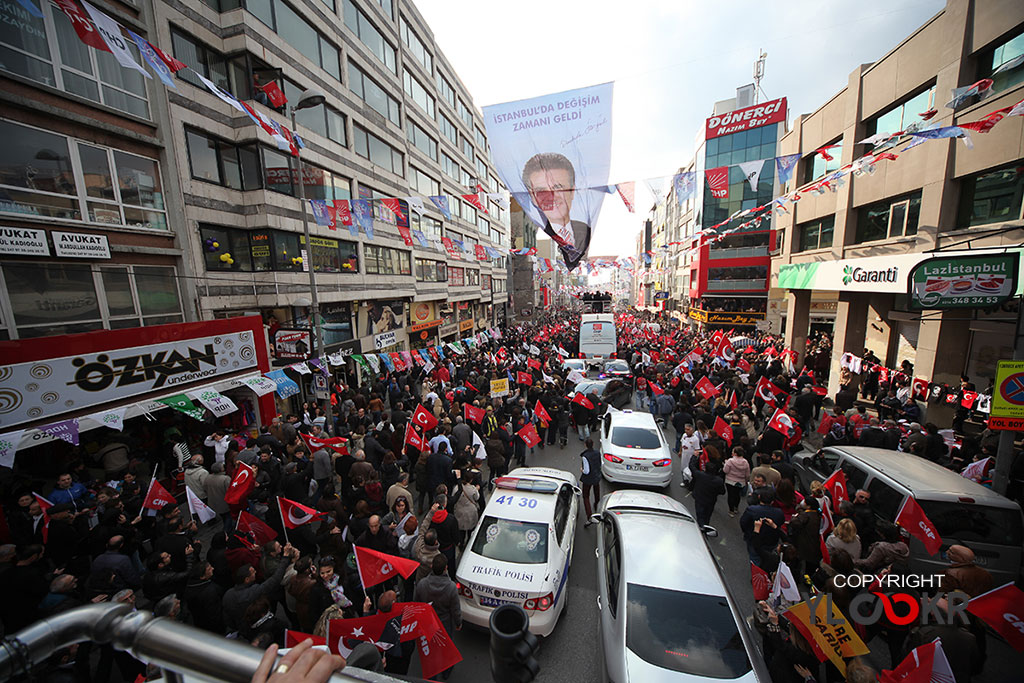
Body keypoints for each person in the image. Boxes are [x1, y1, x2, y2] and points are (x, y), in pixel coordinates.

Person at [521, 152, 591, 271]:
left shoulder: (586, 230)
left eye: (558, 187)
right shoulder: (538, 227)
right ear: (532, 196)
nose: (551, 196)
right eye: (541, 190)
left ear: (572, 191)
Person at [413, 554, 461, 680]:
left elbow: (416, 604)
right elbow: (455, 609)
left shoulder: (422, 584)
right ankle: (446, 671)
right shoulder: (451, 588)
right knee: (445, 649)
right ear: (446, 568)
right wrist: (458, 623)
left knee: (431, 651)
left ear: (431, 566)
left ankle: (432, 677)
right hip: (444, 624)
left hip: (428, 623)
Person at [579, 438, 602, 525]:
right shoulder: (597, 453)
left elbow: (586, 471)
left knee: (586, 496)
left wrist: (582, 469)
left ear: (585, 445)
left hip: (588, 479)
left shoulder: (585, 456)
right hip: (596, 476)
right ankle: (597, 505)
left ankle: (589, 516)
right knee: (596, 492)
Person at [723, 447, 750, 516]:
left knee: (730, 495)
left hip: (730, 481)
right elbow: (747, 474)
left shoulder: (730, 461)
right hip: (740, 482)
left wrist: (725, 464)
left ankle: (731, 510)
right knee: (737, 495)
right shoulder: (745, 462)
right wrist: (746, 481)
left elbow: (725, 470)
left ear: (735, 453)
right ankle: (736, 507)